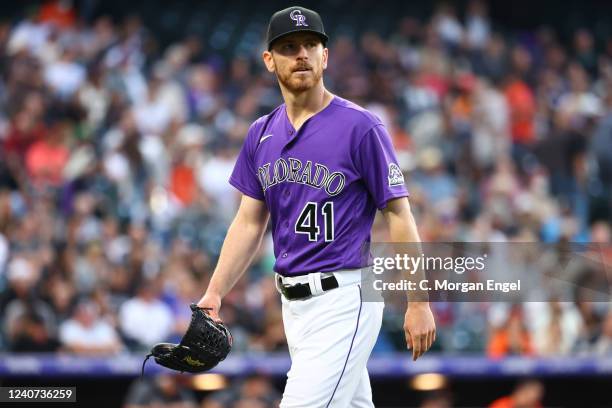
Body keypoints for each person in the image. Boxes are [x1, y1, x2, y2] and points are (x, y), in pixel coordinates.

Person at [196, 6, 436, 407]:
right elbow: (249, 222)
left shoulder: (361, 126)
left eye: (311, 44)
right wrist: (214, 293)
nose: (302, 54)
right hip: (294, 308)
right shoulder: (260, 134)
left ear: (326, 56)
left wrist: (418, 301)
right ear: (269, 60)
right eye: (289, 47)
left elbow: (399, 214)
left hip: (346, 295)